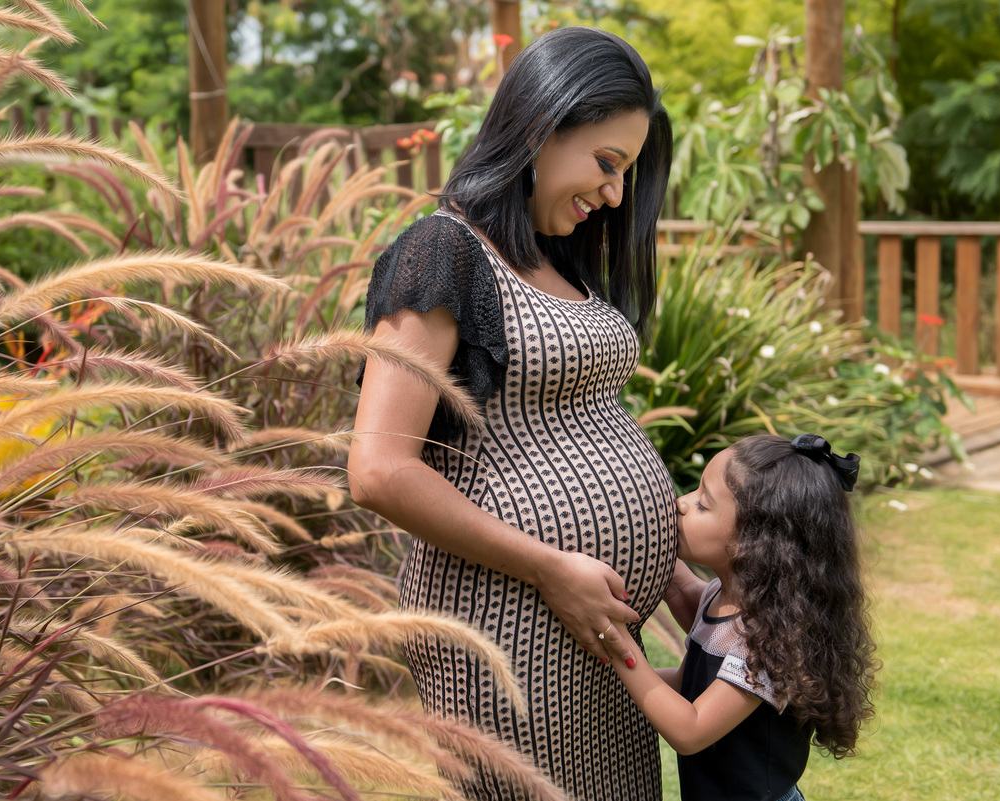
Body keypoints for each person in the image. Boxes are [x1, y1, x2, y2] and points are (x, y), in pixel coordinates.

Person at [348, 26, 676, 800]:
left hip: (595, 624)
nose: (615, 194)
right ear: (541, 125)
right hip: (506, 623)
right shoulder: (444, 252)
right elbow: (379, 469)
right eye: (606, 163)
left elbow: (582, 421)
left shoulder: (557, 255)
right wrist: (550, 567)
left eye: (626, 172)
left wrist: (679, 576)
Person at [607, 434, 879, 801]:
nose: (681, 504)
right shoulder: (721, 599)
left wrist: (615, 641)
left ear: (754, 541)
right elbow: (689, 672)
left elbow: (691, 730)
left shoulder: (766, 641)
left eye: (702, 504)